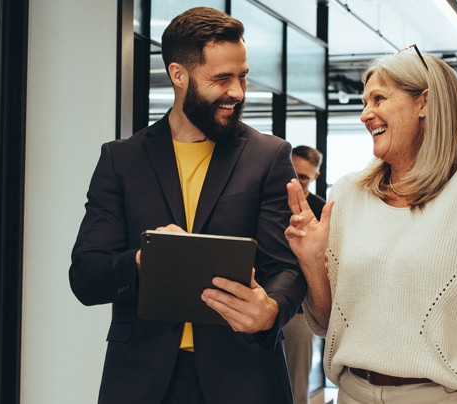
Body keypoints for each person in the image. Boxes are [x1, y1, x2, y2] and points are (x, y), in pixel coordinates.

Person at [284, 45, 457, 404]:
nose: (366, 114)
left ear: (423, 103)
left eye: (379, 99)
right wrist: (313, 263)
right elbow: (328, 319)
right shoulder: (347, 193)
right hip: (352, 393)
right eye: (364, 103)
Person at [69, 7, 305, 404]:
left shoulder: (268, 156)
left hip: (243, 375)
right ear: (179, 75)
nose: (238, 92)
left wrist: (272, 309)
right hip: (142, 380)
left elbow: (285, 266)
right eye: (222, 78)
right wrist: (146, 259)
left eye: (242, 76)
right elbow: (86, 276)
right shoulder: (122, 160)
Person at [284, 145, 325, 404]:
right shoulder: (269, 201)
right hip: (260, 299)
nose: (297, 181)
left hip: (300, 312)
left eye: (304, 177)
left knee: (296, 387)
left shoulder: (321, 210)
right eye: (293, 173)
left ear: (315, 178)